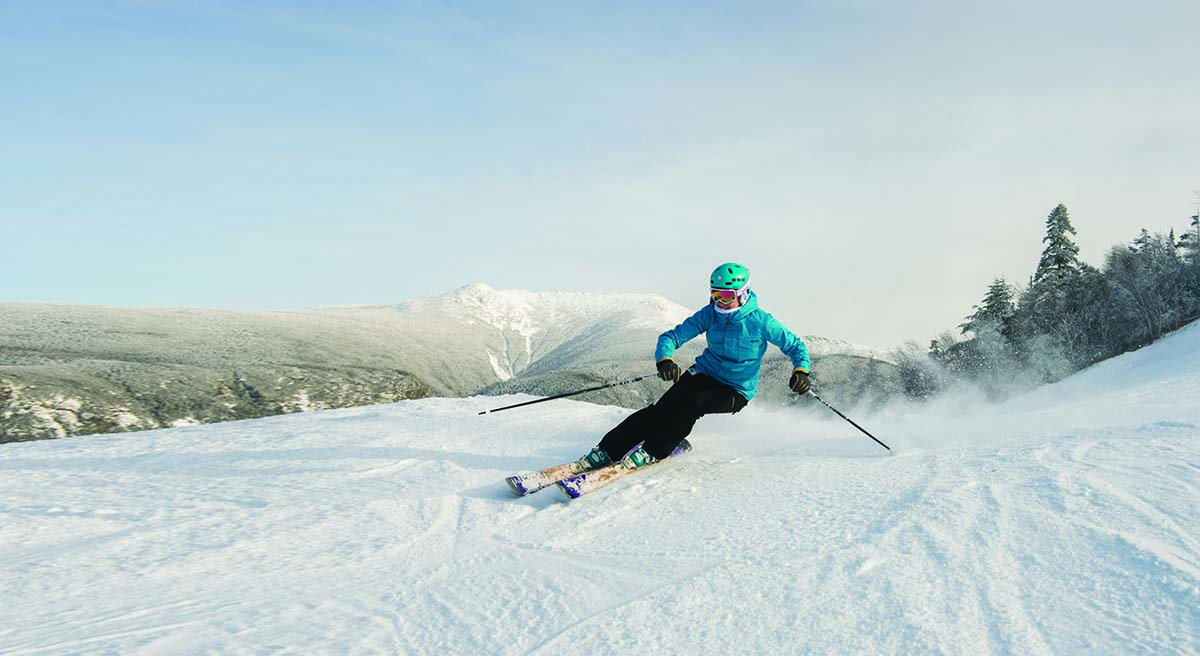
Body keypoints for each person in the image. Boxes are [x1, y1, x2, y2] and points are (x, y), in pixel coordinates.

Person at [576, 262, 811, 471]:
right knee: (661, 409)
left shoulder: (761, 321)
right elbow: (672, 337)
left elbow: (796, 346)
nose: (719, 301)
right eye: (715, 294)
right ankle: (607, 450)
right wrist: (665, 359)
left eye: (726, 296)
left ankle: (654, 451)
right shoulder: (710, 314)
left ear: (743, 294)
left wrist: (801, 371)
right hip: (704, 374)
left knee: (693, 405)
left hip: (736, 389)